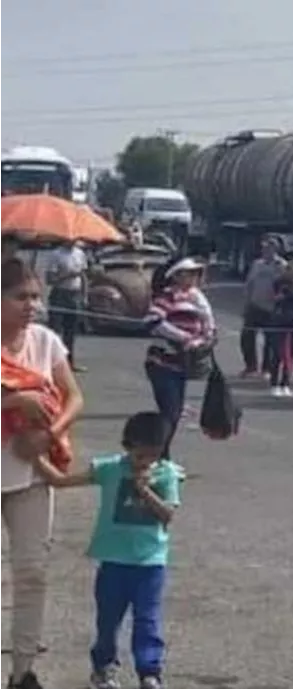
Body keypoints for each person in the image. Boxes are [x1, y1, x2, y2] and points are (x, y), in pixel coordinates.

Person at [26, 411, 180, 689]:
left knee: (148, 620)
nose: (144, 463)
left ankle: (149, 671)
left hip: (150, 563)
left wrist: (147, 492)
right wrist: (35, 458)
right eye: (139, 456)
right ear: (128, 446)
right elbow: (61, 481)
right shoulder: (110, 468)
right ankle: (103, 668)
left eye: (152, 456)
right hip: (113, 561)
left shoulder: (166, 473)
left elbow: (168, 514)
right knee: (108, 621)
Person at [0, 258, 85, 689]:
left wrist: (48, 432)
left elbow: (73, 397)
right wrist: (14, 403)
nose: (31, 305)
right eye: (20, 297)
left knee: (33, 573)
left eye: (35, 296)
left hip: (31, 472)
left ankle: (22, 673)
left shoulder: (46, 342)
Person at [143, 258, 214, 451]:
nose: (194, 277)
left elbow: (207, 325)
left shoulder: (195, 298)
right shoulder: (168, 296)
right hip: (161, 363)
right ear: (176, 276)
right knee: (170, 413)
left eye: (195, 274)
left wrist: (202, 340)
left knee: (173, 415)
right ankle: (158, 455)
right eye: (189, 273)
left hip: (181, 364)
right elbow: (152, 321)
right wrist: (182, 337)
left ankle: (160, 455)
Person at [239, 237, 285, 378]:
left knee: (270, 340)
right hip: (254, 305)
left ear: (275, 249)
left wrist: (280, 300)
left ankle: (267, 369)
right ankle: (250, 366)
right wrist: (246, 303)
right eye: (263, 248)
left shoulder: (281, 265)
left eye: (268, 248)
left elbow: (285, 285)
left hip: (271, 308)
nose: (265, 250)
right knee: (246, 337)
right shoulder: (257, 264)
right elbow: (249, 284)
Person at [43, 240, 89, 372]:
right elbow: (49, 279)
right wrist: (68, 275)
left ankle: (69, 363)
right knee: (55, 330)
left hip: (74, 294)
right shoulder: (56, 254)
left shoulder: (80, 253)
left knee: (71, 331)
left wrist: (84, 296)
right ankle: (51, 362)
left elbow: (83, 276)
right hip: (60, 293)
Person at [267, 259, 293, 398]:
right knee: (278, 354)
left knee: (290, 354)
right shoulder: (280, 282)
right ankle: (274, 384)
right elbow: (275, 297)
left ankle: (285, 383)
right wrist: (280, 295)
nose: (292, 272)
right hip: (280, 321)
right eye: (290, 268)